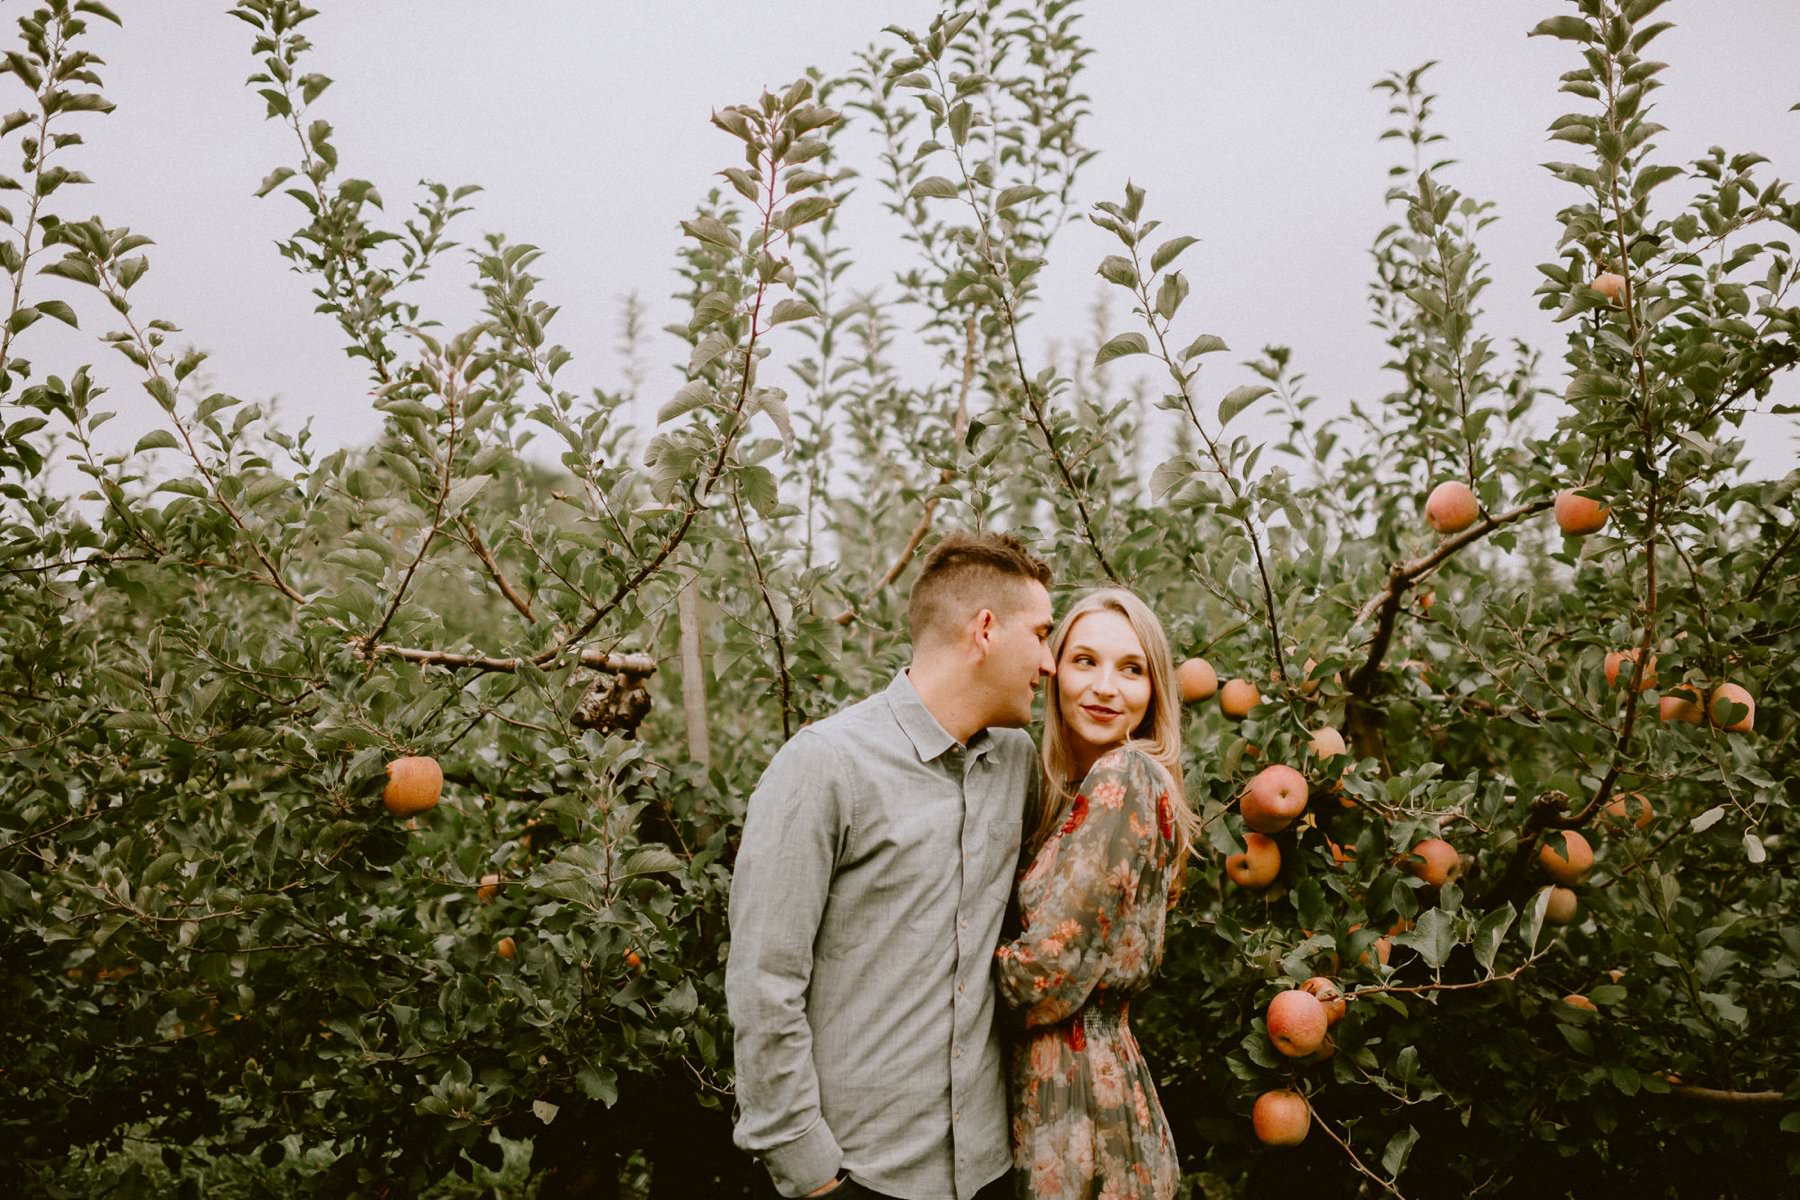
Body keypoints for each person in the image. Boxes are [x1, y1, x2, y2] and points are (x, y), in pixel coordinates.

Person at [727, 530, 1056, 1199]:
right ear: (985, 630)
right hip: (862, 1176)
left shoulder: (1017, 764)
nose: (1048, 663)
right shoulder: (825, 766)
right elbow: (765, 984)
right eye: (1042, 633)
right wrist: (813, 1175)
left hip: (988, 1172)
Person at [993, 588, 1196, 1200]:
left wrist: (946, 961)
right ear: (1053, 674)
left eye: (1131, 669)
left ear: (1154, 689)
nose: (1106, 686)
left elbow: (1049, 974)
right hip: (1071, 1095)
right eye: (1085, 661)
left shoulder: (1125, 775)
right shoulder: (1066, 796)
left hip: (1081, 1109)